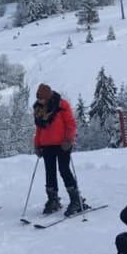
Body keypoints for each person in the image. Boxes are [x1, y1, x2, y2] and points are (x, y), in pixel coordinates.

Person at [33, 83, 85, 216]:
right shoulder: (39, 109)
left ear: (48, 96)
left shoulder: (62, 105)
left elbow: (71, 124)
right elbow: (39, 129)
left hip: (63, 144)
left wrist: (68, 140)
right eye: (38, 98)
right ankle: (53, 200)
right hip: (46, 145)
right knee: (49, 172)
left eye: (42, 98)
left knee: (64, 169)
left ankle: (76, 200)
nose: (40, 101)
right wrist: (37, 145)